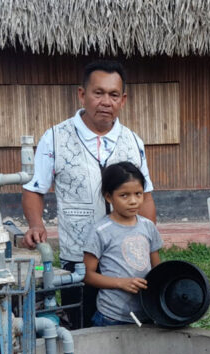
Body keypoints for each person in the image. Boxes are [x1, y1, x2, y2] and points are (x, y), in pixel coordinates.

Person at [22, 60, 156, 329]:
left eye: (113, 94)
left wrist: (147, 240)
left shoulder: (133, 141)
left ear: (123, 99)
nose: (106, 101)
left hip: (126, 256)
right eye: (98, 93)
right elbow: (34, 188)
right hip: (79, 255)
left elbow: (148, 195)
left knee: (133, 322)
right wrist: (36, 224)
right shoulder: (56, 137)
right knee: (82, 326)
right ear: (82, 94)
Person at [82, 162, 162, 326]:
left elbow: (158, 270)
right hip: (112, 315)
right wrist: (121, 283)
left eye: (138, 194)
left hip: (146, 312)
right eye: (124, 195)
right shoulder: (100, 231)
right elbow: (87, 275)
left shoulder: (148, 226)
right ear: (109, 196)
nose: (133, 201)